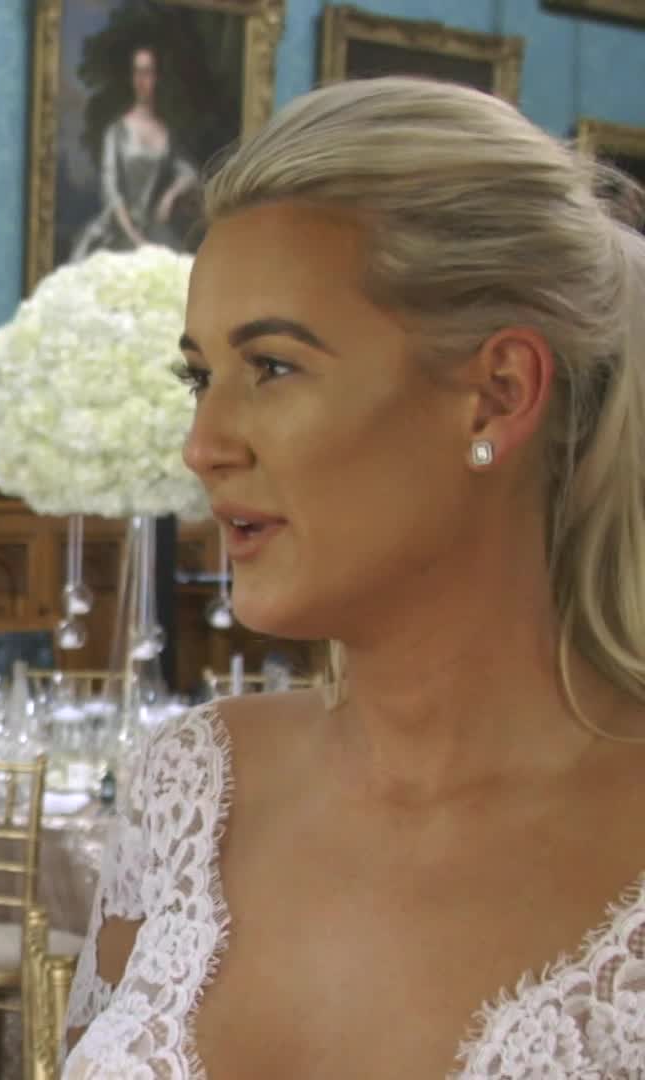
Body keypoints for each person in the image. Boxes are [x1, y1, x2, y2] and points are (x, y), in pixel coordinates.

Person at [64, 77, 645, 1075]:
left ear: (498, 394)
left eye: (273, 367)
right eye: (200, 377)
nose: (204, 444)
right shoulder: (189, 792)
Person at [68, 44, 198, 262]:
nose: (141, 80)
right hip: (119, 229)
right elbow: (112, 191)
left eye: (147, 72)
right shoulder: (116, 131)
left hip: (154, 230)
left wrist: (169, 196)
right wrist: (135, 239)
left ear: (156, 78)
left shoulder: (165, 132)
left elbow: (189, 173)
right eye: (137, 72)